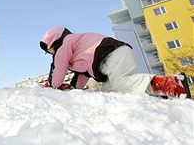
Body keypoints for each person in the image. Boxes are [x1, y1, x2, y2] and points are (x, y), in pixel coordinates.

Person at [39, 26, 191, 98]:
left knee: (122, 83)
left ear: (54, 41)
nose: (50, 53)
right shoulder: (77, 51)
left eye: (48, 50)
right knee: (110, 92)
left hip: (111, 55)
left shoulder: (66, 42)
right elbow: (82, 75)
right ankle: (161, 93)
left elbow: (59, 68)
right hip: (113, 57)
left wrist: (52, 86)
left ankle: (174, 83)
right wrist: (72, 88)